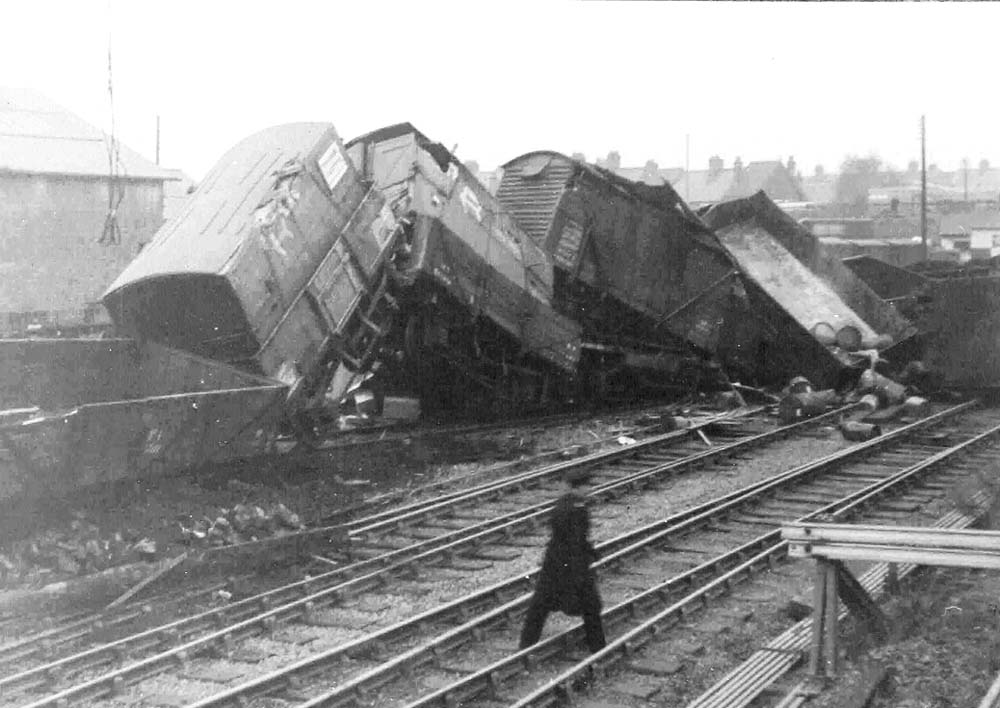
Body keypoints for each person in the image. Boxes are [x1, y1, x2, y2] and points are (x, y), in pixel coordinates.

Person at [519, 470, 607, 653]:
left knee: (540, 607)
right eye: (587, 486)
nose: (590, 489)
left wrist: (590, 552)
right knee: (591, 606)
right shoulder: (576, 509)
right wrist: (584, 563)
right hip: (571, 565)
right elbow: (575, 541)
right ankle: (598, 649)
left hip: (553, 564)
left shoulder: (563, 505)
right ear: (578, 487)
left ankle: (525, 647)